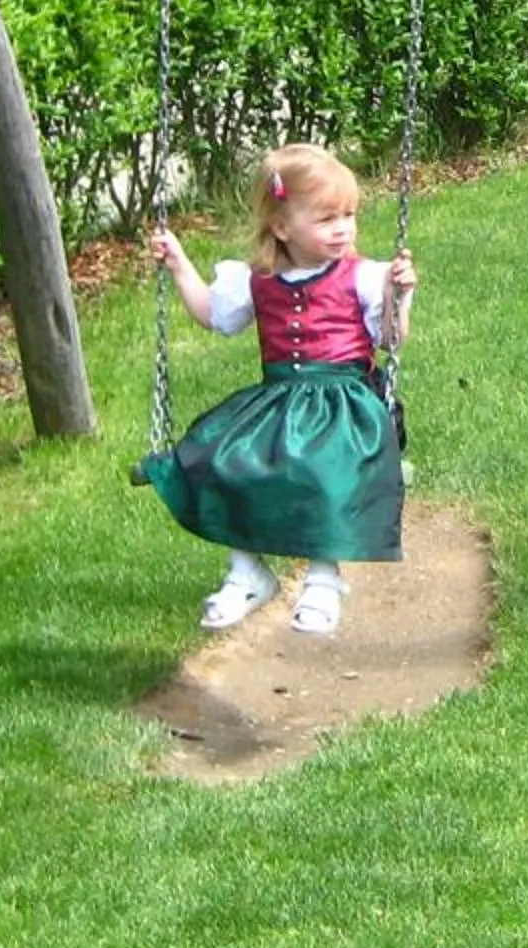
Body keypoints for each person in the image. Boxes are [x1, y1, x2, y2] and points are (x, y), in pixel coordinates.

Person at [134, 142, 416, 636]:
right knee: (226, 459)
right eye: (327, 218)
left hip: (344, 405)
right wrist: (179, 265)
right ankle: (247, 573)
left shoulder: (364, 277)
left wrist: (399, 297)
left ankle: (324, 580)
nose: (343, 228)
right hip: (281, 395)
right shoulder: (255, 281)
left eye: (348, 215)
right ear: (282, 227)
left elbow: (390, 339)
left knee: (320, 469)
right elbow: (212, 316)